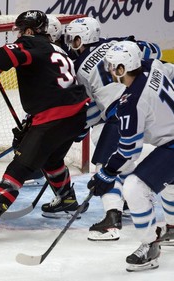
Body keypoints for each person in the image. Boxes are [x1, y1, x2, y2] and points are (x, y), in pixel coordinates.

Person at [0, 10, 89, 237]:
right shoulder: (58, 48)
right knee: (52, 158)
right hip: (77, 115)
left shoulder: (31, 44)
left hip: (53, 118)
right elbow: (51, 83)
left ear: (29, 31)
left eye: (21, 31)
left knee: (18, 168)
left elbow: (4, 56)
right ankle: (67, 198)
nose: (19, 35)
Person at [56, 16, 162, 241]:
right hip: (150, 106)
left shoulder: (77, 69)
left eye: (73, 40)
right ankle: (126, 199)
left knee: (105, 166)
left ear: (82, 38)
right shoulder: (117, 43)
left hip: (122, 113)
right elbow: (155, 52)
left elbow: (92, 107)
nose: (71, 45)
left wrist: (80, 128)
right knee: (106, 143)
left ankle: (111, 219)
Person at [87, 41, 174, 272]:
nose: (109, 69)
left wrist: (106, 173)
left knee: (135, 186)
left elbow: (129, 150)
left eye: (113, 65)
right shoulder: (152, 65)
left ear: (123, 69)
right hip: (170, 139)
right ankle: (173, 227)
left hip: (172, 144)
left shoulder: (132, 102)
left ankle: (150, 244)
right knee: (166, 178)